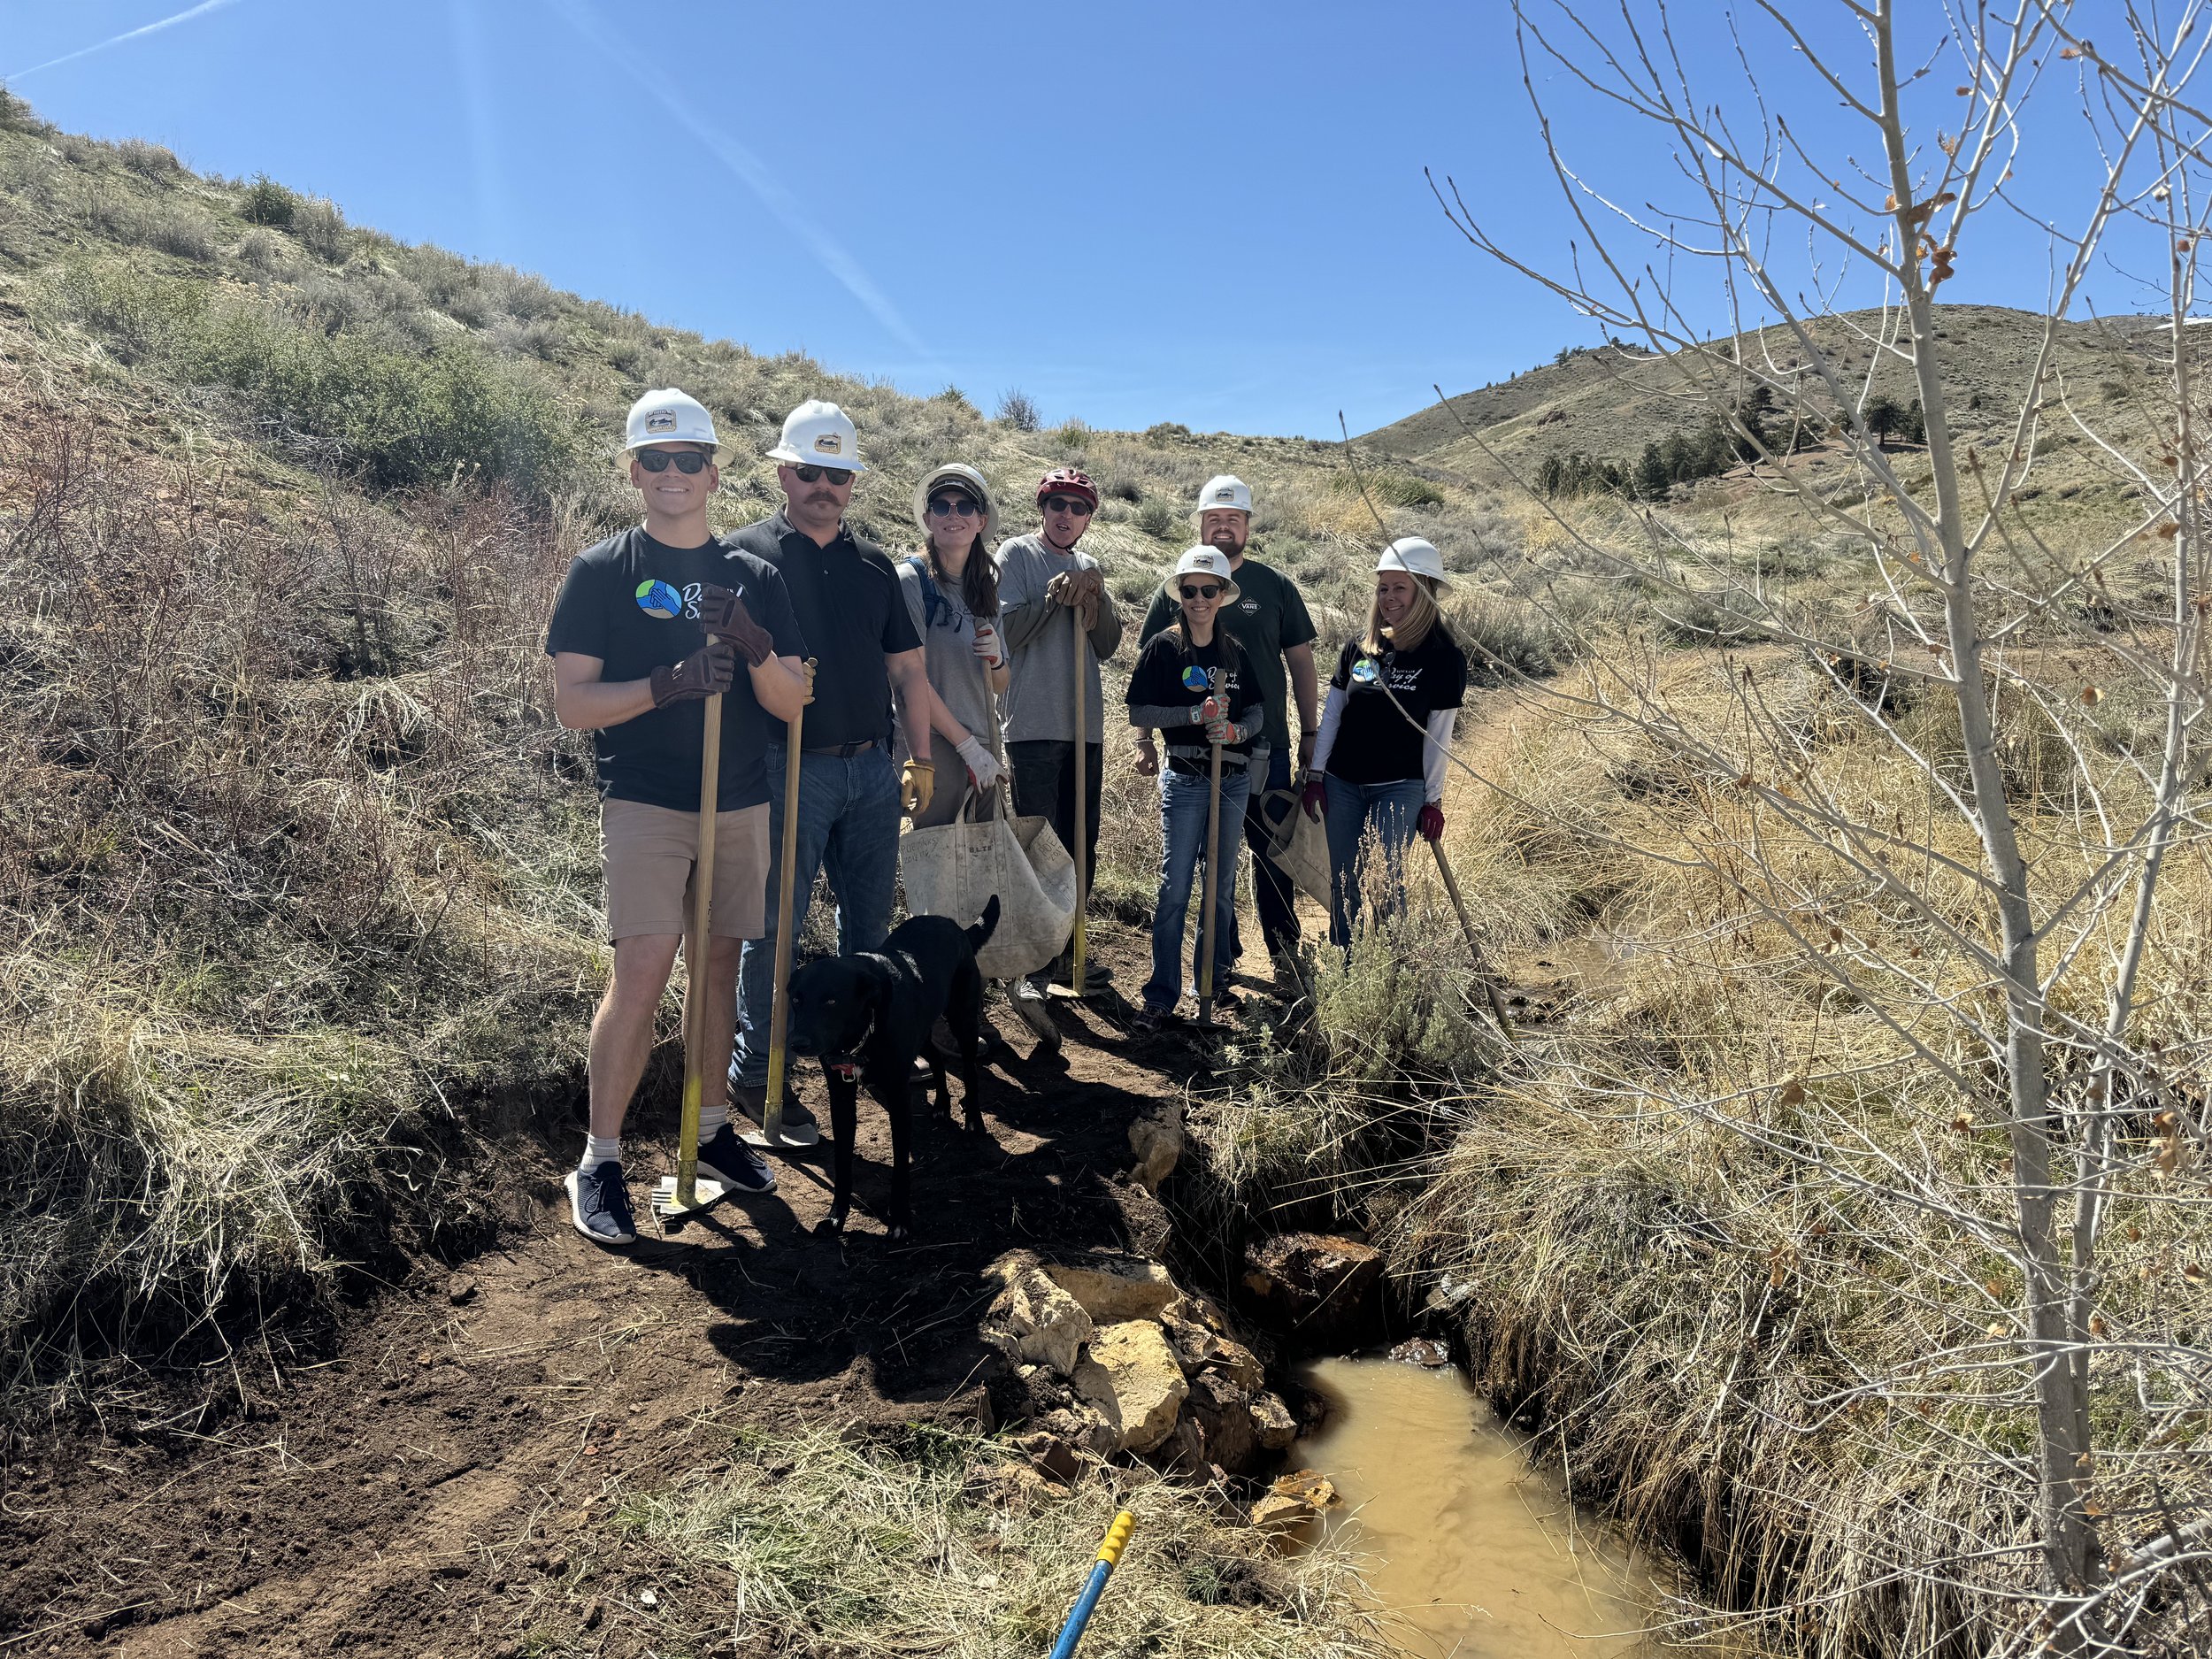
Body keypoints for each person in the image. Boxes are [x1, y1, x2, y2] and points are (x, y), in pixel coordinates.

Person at [546, 388, 810, 1245]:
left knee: (720, 970)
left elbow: (794, 699)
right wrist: (665, 686)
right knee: (645, 968)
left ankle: (708, 1131)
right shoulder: (602, 571)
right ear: (633, 471)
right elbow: (572, 704)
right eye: (654, 460)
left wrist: (750, 638)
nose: (671, 474)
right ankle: (601, 1158)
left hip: (738, 800)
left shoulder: (757, 577)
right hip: (647, 803)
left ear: (713, 473)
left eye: (687, 460)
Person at [726, 399, 937, 1146]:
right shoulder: (744, 555)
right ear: (784, 471)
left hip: (872, 772)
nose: (824, 485)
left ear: (853, 482)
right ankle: (758, 1074)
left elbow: (909, 674)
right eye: (810, 471)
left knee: (871, 933)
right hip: (787, 769)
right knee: (773, 928)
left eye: (837, 474)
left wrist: (918, 758)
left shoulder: (877, 565)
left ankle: (862, 1056)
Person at [1137, 475, 1317, 980]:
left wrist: (1309, 733)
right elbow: (1149, 670)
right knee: (1203, 856)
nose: (1223, 526)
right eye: (1214, 518)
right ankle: (1220, 953)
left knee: (1271, 851)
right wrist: (1145, 739)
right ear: (1200, 523)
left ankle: (1283, 951)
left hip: (1266, 745)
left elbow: (1301, 661)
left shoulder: (1275, 585)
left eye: (1233, 518)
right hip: (1192, 752)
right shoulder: (1177, 584)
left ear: (1247, 525)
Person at [997, 466, 1123, 1026]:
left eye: (1078, 507)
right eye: (1057, 504)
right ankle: (1032, 962)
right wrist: (1052, 601)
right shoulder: (1018, 554)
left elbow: (1108, 645)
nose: (1066, 515)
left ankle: (1071, 949)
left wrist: (1097, 603)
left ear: (1090, 517)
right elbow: (1010, 634)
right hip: (1033, 724)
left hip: (1085, 727)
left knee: (1079, 843)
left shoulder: (1090, 565)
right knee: (1038, 845)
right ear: (1042, 508)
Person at [1302, 538, 1469, 948]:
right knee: (1344, 882)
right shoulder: (1361, 648)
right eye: (1383, 588)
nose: (1389, 597)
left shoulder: (1445, 658)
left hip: (1400, 785)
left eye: (1400, 588)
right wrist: (1316, 775)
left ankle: (1394, 969)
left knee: (1387, 881)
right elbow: (1334, 714)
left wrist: (1433, 800)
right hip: (1342, 782)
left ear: (1425, 592)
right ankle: (1346, 967)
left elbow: (1438, 735)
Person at [1125, 548, 1264, 1032]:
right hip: (1185, 778)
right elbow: (1139, 712)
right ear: (1179, 594)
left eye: (1209, 590)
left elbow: (1257, 713)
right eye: (1190, 591)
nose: (1199, 599)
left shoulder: (1235, 652)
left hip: (1233, 778)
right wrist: (1192, 716)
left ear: (1224, 595)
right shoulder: (1164, 647)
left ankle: (1212, 981)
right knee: (1175, 887)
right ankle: (1161, 993)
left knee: (1220, 887)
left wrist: (1235, 733)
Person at [895, 463, 1009, 827]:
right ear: (929, 518)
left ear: (981, 520)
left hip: (984, 742)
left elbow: (1002, 683)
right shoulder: (911, 581)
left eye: (965, 506)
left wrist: (994, 659)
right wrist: (966, 748)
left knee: (985, 873)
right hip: (932, 747)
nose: (953, 514)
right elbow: (909, 677)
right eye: (942, 506)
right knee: (942, 866)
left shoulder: (985, 590)